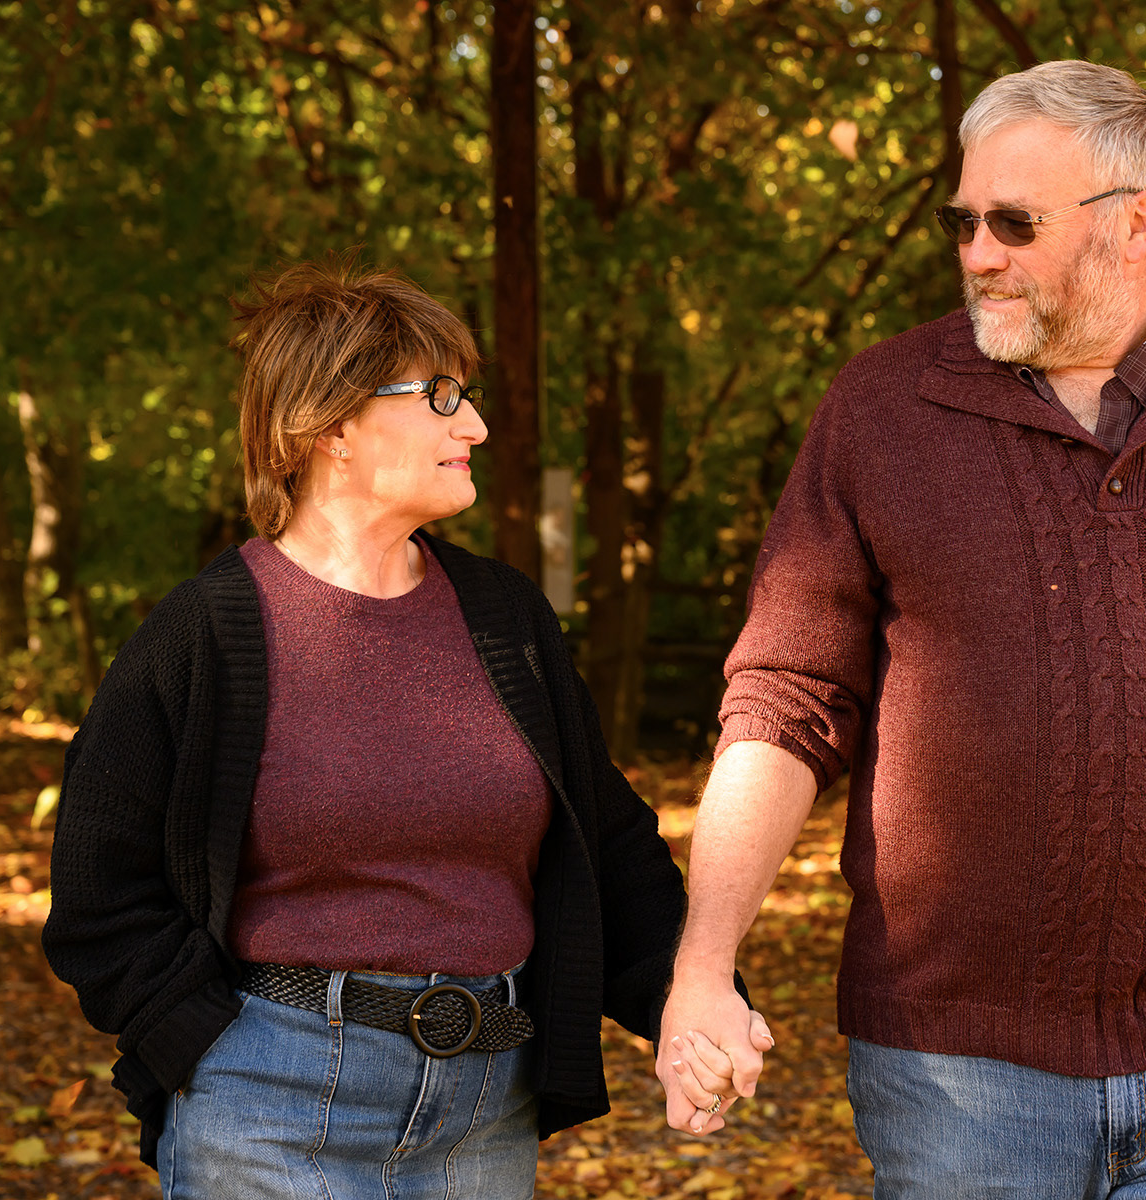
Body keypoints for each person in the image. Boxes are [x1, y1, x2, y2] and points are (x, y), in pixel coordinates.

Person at [655, 60, 1146, 1197]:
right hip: (956, 1077)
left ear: (1137, 224)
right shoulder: (882, 409)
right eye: (962, 221)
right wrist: (704, 966)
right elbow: (785, 700)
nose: (976, 254)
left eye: (1015, 223)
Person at [43, 259, 765, 1198]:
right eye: (440, 397)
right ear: (330, 427)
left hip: (483, 1119)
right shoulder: (204, 634)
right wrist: (199, 1042)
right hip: (265, 1109)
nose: (475, 426)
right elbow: (98, 889)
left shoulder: (506, 617)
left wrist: (690, 1002)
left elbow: (609, 846)